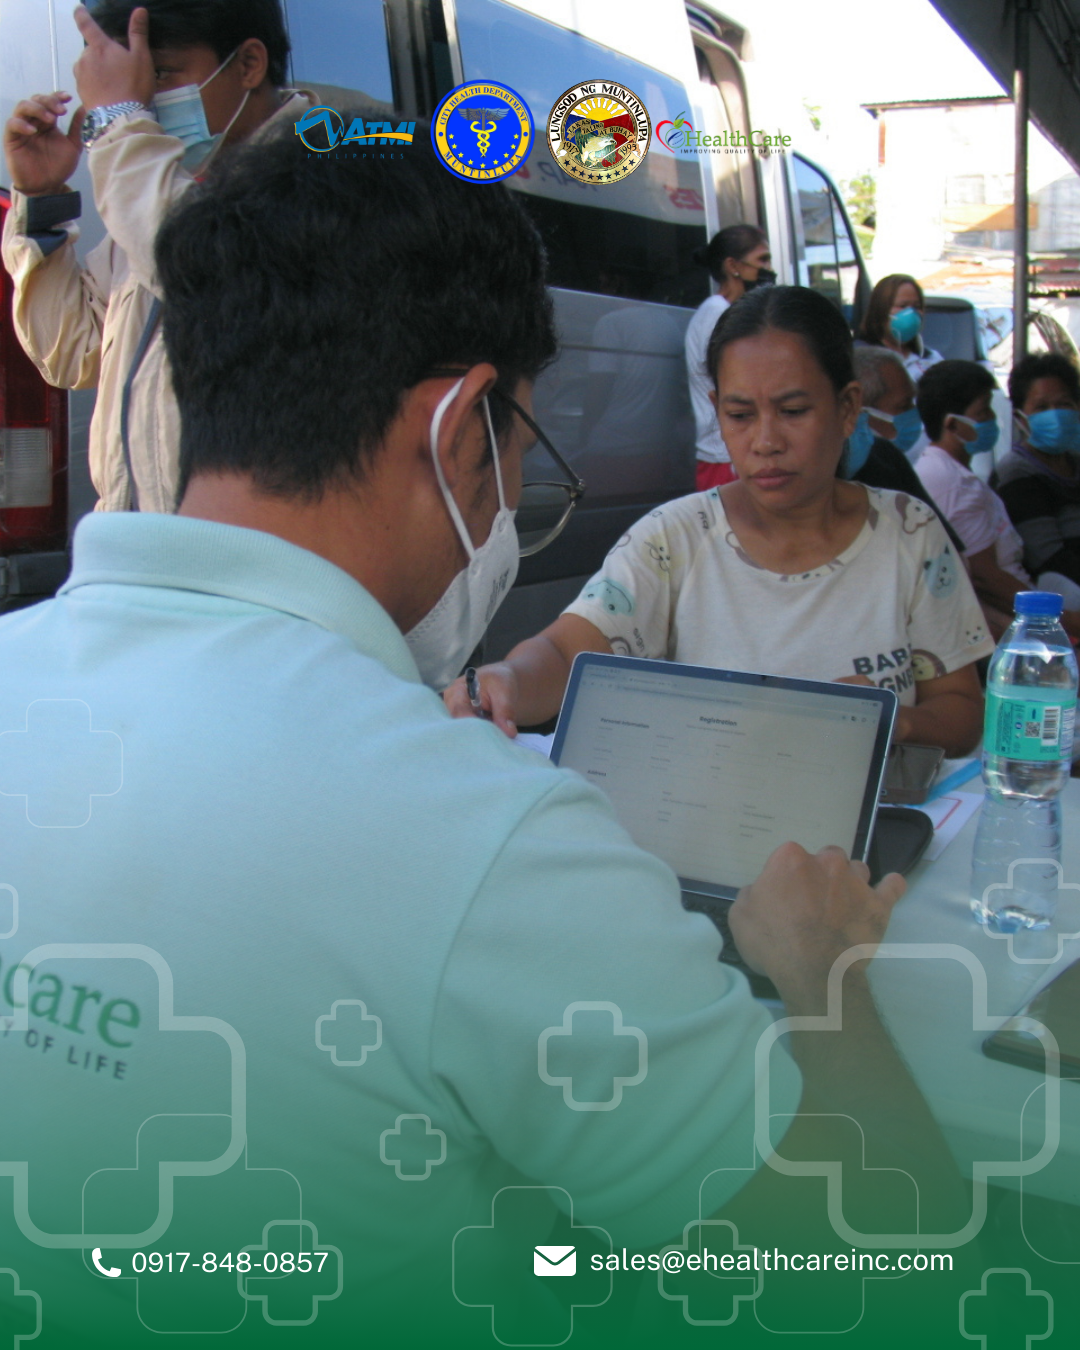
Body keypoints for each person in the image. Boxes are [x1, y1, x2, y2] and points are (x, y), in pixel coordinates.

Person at [0, 117, 966, 1347]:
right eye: (522, 448)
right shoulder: (491, 838)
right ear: (461, 433)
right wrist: (822, 980)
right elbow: (886, 1270)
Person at [449, 286, 992, 757]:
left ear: (848, 408)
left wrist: (891, 721)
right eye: (740, 415)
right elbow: (565, 652)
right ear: (715, 410)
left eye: (793, 411)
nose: (765, 441)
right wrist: (507, 680)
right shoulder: (673, 540)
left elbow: (962, 712)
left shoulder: (908, 533)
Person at [1, 0, 316, 512]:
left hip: (248, 544)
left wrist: (120, 123)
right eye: (126, 81)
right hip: (149, 541)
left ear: (248, 65)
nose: (141, 99)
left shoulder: (325, 179)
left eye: (160, 74)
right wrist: (41, 198)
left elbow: (210, 279)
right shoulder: (168, 192)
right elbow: (71, 354)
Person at [915, 358, 1080, 640]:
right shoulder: (954, 483)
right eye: (983, 412)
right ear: (953, 424)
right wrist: (1056, 622)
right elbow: (985, 579)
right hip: (1014, 624)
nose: (992, 419)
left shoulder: (952, 474)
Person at [847, 345, 964, 554]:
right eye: (903, 406)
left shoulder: (887, 457)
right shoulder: (879, 457)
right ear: (858, 408)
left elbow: (945, 548)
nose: (914, 414)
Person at [684, 223, 774, 492]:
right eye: (762, 259)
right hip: (726, 459)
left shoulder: (725, 312)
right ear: (733, 266)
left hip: (732, 454)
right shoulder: (718, 314)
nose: (768, 268)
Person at [995, 352, 1080, 596]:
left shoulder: (1074, 460)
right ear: (1020, 417)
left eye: (1064, 404)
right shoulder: (1017, 473)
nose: (1055, 414)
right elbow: (1048, 558)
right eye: (1041, 407)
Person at [858, 273, 943, 381]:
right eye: (902, 306)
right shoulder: (860, 358)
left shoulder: (931, 360)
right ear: (881, 310)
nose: (911, 312)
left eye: (917, 306)